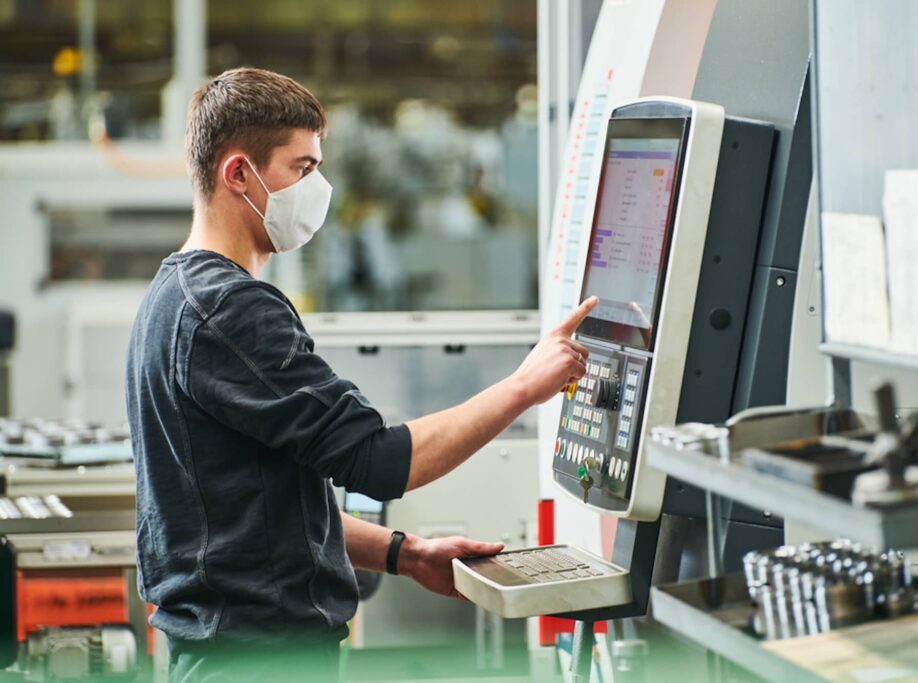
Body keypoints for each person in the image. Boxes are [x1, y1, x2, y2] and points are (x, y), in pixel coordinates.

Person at [125, 67, 597, 682]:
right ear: (237, 173)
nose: (317, 187)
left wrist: (405, 554)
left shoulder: (173, 294)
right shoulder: (233, 310)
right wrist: (525, 386)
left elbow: (263, 510)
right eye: (301, 169)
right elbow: (379, 461)